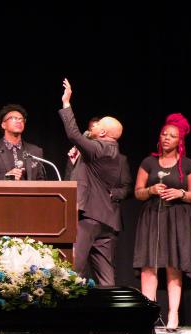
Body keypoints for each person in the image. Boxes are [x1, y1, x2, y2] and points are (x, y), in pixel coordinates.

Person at [59, 78, 132, 286]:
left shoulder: (99, 149)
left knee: (72, 269)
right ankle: (112, 316)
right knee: (106, 277)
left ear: (102, 133)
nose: (93, 126)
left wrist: (67, 102)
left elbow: (73, 134)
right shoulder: (114, 153)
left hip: (89, 218)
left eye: (98, 125)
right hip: (106, 221)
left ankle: (65, 314)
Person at [131, 113, 191, 331]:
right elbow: (138, 192)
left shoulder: (188, 164)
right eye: (164, 134)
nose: (167, 138)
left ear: (180, 141)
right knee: (149, 265)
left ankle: (173, 315)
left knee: (173, 265)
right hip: (152, 216)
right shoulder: (148, 162)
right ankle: (147, 314)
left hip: (177, 218)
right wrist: (151, 190)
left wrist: (180, 193)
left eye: (172, 135)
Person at [0, 104, 47, 180]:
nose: (18, 121)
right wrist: (6, 177)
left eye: (21, 119)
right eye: (13, 118)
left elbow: (41, 181)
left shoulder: (35, 151)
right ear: (3, 125)